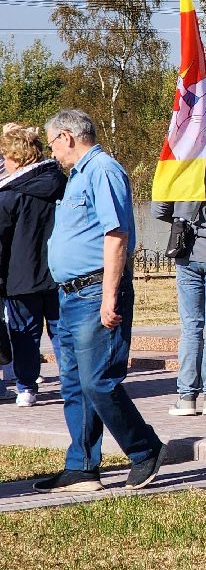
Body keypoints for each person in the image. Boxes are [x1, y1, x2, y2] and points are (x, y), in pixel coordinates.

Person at [33, 110, 165, 493]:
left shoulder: (103, 170)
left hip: (96, 292)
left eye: (53, 141)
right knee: (75, 383)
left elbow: (116, 234)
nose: (52, 151)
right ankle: (83, 465)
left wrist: (110, 296)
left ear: (68, 137)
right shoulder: (78, 176)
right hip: (72, 294)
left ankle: (145, 450)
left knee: (98, 381)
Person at [152, 112, 206, 417]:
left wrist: (182, 218)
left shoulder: (182, 162)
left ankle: (186, 395)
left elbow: (160, 207)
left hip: (186, 253)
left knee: (191, 326)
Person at [0, 127, 64, 408]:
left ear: (16, 157)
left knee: (25, 332)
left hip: (20, 276)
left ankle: (27, 387)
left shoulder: (9, 195)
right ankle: (73, 382)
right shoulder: (63, 183)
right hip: (61, 271)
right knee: (63, 332)